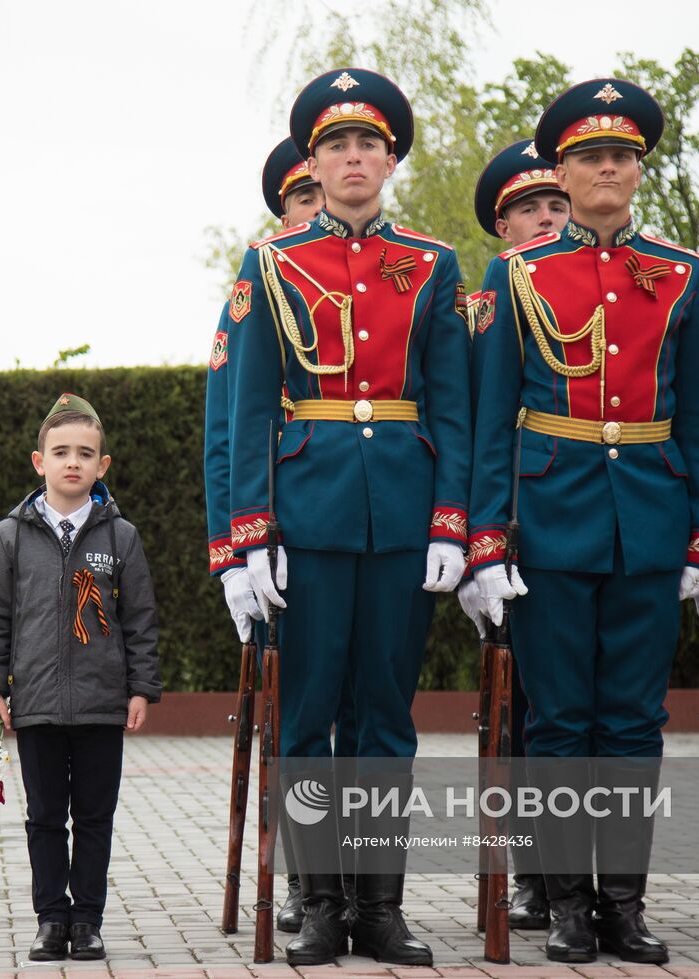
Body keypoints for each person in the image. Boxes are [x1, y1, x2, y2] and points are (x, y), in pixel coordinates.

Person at [468, 78, 699, 964]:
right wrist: (487, 542)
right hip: (549, 518)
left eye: (621, 157)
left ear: (636, 172)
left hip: (649, 517)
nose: (606, 169)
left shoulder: (686, 273)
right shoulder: (517, 273)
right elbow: (494, 415)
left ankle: (624, 900)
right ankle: (568, 902)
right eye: (589, 158)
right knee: (558, 722)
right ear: (563, 174)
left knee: (632, 721)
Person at [224, 68, 471, 967]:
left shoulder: (435, 263)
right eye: (336, 145)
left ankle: (380, 906)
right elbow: (250, 408)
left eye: (368, 143)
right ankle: (320, 904)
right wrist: (248, 537)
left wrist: (453, 521)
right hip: (310, 516)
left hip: (403, 515)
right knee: (308, 721)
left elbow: (453, 405)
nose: (353, 157)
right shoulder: (272, 263)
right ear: (313, 163)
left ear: (390, 157)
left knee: (385, 720)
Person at [0, 393, 162, 963]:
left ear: (103, 466)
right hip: (36, 704)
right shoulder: (9, 535)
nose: (72, 462)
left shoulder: (119, 537)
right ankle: (51, 920)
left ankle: (88, 921)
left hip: (104, 704)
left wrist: (140, 688)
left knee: (96, 818)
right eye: (61, 452)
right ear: (39, 462)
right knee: (46, 817)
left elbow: (140, 620)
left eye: (85, 453)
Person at [204, 136, 328, 934]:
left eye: (324, 196)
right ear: (282, 211)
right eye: (304, 198)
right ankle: (306, 881)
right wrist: (233, 553)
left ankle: (360, 885)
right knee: (299, 721)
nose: (318, 209)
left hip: (354, 525)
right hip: (280, 539)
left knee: (364, 723)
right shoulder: (258, 289)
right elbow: (228, 435)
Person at [458, 137, 570, 932]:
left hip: (564, 529)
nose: (544, 217)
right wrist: (470, 540)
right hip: (500, 536)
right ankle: (528, 870)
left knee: (560, 712)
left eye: (553, 204)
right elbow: (470, 429)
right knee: (520, 716)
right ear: (504, 228)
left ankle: (551, 874)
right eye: (528, 209)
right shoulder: (480, 308)